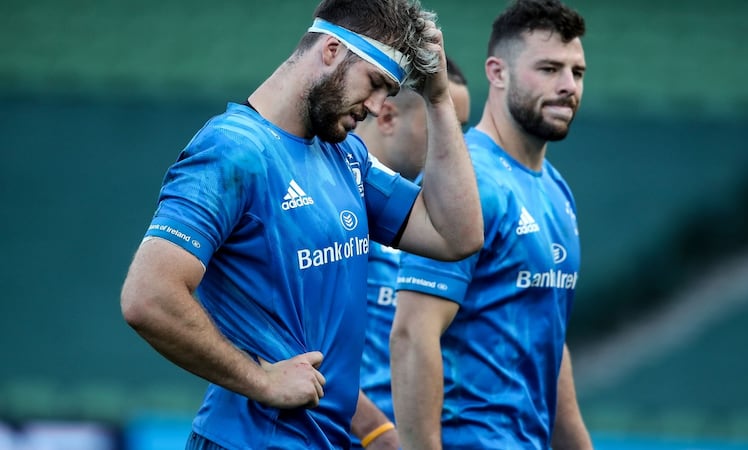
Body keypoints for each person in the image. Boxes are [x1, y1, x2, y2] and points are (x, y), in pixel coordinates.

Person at [118, 0, 484, 447]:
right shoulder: (233, 149)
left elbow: (457, 236)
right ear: (331, 50)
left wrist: (439, 99)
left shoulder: (343, 153)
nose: (374, 106)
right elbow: (148, 296)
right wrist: (260, 380)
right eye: (374, 84)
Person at [389, 0, 593, 449]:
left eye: (576, 73)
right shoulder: (467, 182)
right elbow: (412, 333)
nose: (567, 86)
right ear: (497, 72)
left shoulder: (556, 191)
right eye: (549, 69)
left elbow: (549, 341)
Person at [349, 58, 471, 449]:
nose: (458, 145)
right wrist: (377, 433)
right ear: (387, 117)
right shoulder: (331, 207)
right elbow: (293, 344)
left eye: (462, 128)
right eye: (443, 124)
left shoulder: (435, 224)